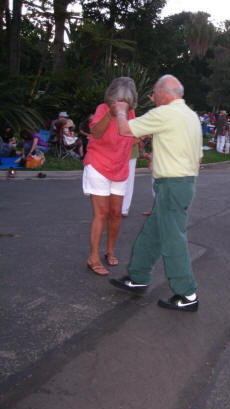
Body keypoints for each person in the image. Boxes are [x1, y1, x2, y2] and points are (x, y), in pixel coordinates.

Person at [109, 74, 202, 312]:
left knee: (173, 240)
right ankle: (138, 277)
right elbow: (198, 156)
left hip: (173, 184)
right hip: (183, 183)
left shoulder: (164, 114)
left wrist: (121, 109)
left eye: (154, 93)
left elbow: (125, 130)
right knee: (153, 234)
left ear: (163, 93)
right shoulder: (191, 116)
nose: (153, 98)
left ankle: (187, 294)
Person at [83, 77, 137, 276]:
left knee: (116, 213)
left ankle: (110, 250)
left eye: (125, 101)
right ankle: (93, 257)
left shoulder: (131, 113)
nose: (121, 105)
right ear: (111, 98)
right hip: (98, 164)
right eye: (117, 100)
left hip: (119, 167)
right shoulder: (102, 109)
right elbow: (96, 133)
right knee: (102, 213)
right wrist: (110, 115)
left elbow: (131, 139)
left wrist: (143, 136)